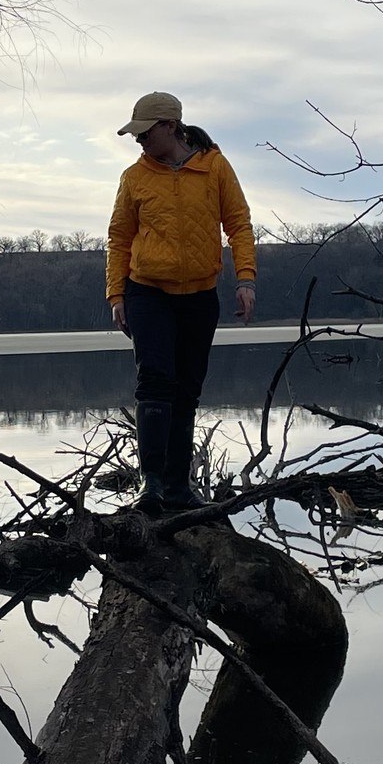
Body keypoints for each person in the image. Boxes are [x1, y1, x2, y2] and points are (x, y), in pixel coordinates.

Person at [106, 90, 256, 513]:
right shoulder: (134, 178)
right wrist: (116, 294)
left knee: (187, 391)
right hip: (147, 292)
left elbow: (239, 225)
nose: (139, 141)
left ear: (170, 127)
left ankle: (177, 487)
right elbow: (119, 238)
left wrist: (246, 279)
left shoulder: (215, 168)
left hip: (199, 297)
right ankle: (150, 485)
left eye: (145, 132)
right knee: (154, 382)